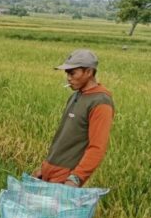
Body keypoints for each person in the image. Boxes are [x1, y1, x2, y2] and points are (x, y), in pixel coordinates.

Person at [33, 49, 114, 187]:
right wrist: (45, 168)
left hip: (66, 178)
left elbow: (97, 147)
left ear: (89, 72)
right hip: (49, 172)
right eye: (67, 73)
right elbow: (64, 137)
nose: (68, 78)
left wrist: (76, 178)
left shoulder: (100, 102)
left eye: (72, 73)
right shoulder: (75, 96)